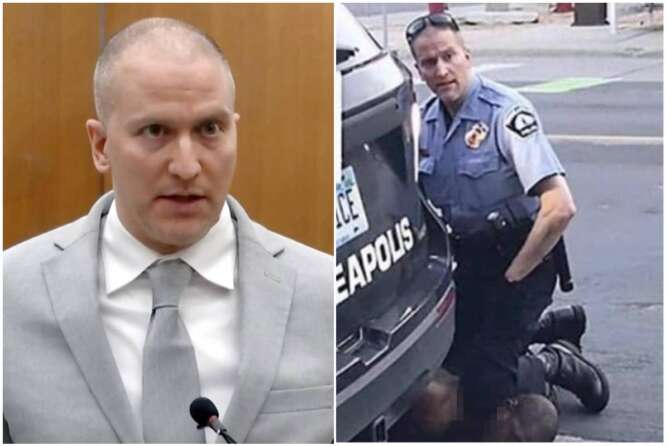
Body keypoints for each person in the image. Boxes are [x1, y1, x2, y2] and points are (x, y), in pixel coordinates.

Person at [3, 18, 332, 444]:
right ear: (101, 146)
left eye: (209, 129)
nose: (187, 166)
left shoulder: (323, 295)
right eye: (155, 131)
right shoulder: (9, 295)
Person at [404, 12, 609, 439]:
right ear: (418, 69)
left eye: (448, 56)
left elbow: (559, 208)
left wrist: (515, 276)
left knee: (483, 386)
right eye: (427, 63)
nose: (440, 70)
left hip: (524, 261)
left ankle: (557, 361)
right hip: (471, 263)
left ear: (467, 55)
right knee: (440, 367)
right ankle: (550, 325)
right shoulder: (426, 122)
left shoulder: (506, 112)